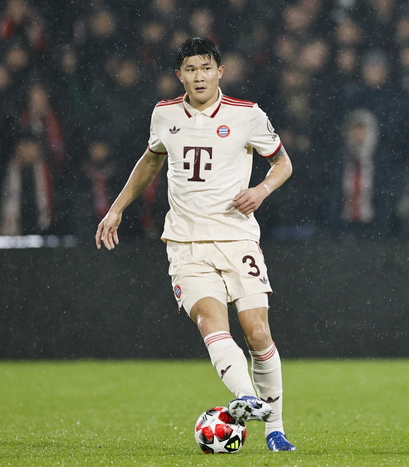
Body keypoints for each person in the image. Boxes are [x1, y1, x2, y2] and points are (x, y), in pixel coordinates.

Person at [95, 38, 296, 452]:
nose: (199, 76)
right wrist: (117, 208)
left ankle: (275, 429)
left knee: (258, 333)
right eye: (190, 69)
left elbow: (283, 163)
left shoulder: (247, 114)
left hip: (237, 237)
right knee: (210, 322)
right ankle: (246, 397)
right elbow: (151, 160)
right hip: (186, 243)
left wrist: (260, 191)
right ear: (179, 75)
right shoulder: (164, 114)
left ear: (220, 72)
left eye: (206, 68)